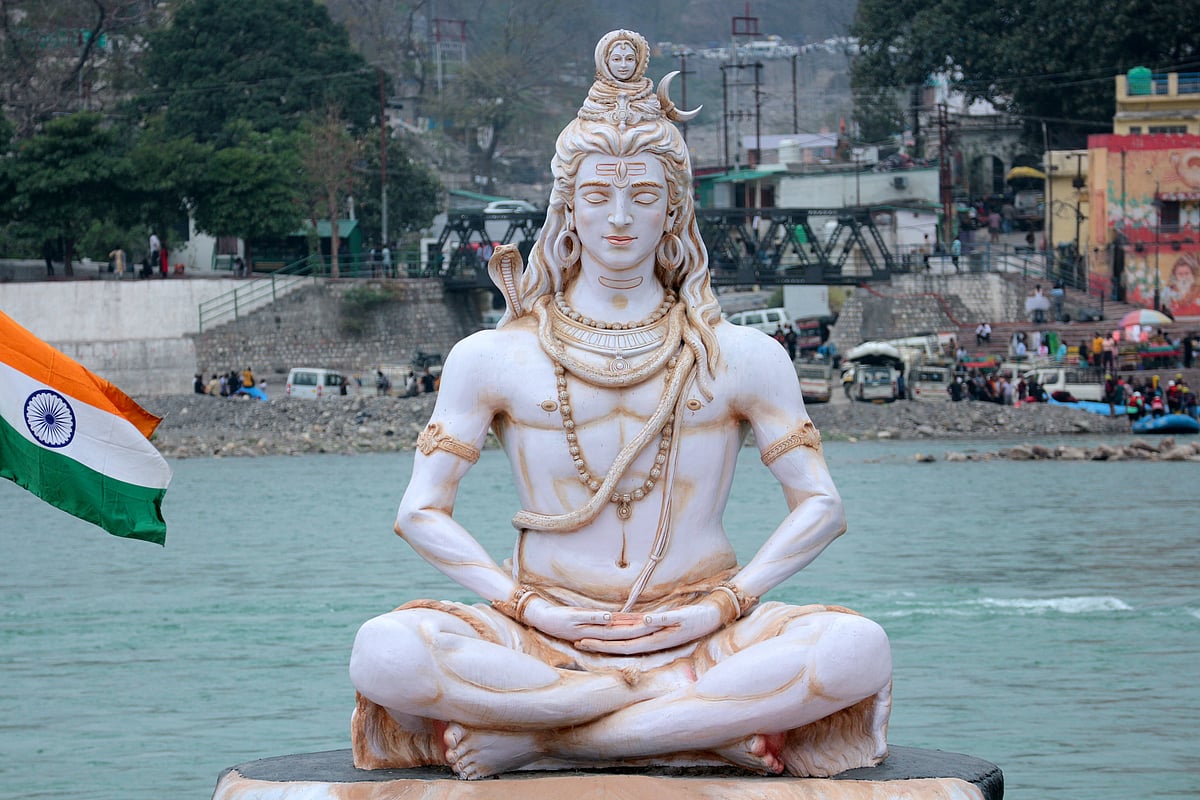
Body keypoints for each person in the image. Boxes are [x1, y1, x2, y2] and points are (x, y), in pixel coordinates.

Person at [349, 30, 890, 782]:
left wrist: (723, 607)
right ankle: (683, 728)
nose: (619, 219)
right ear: (566, 207)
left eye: (643, 196)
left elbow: (821, 507)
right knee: (383, 651)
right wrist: (530, 610)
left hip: (700, 625)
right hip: (539, 631)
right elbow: (419, 512)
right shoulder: (494, 356)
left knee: (857, 649)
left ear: (674, 208)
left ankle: (556, 739)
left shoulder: (741, 354)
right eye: (597, 195)